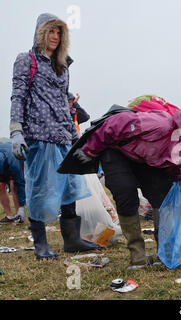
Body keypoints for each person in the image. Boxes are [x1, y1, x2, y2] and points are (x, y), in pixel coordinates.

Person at [69, 96, 181, 268]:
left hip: (145, 157)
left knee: (162, 195)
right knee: (125, 192)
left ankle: (164, 252)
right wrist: (90, 149)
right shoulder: (162, 125)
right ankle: (137, 254)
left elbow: (168, 168)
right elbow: (115, 123)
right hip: (116, 149)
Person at [9, 13, 100, 260]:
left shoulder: (61, 65)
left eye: (59, 33)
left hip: (62, 136)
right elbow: (18, 96)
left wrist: (74, 136)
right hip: (38, 136)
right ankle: (40, 245)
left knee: (69, 189)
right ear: (40, 33)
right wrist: (16, 131)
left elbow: (63, 102)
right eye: (50, 31)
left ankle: (72, 240)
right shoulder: (26, 60)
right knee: (39, 189)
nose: (55, 37)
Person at [0, 143, 26, 223]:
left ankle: (19, 214)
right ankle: (9, 216)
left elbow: (20, 183)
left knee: (14, 186)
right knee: (0, 186)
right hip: (4, 163)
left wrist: (22, 207)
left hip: (16, 158)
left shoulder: (13, 162)